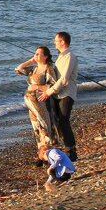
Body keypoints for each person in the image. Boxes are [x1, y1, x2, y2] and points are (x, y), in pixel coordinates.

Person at [37, 31, 78, 160]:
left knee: (64, 121)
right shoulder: (61, 56)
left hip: (66, 94)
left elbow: (64, 79)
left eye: (56, 40)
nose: (54, 42)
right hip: (57, 93)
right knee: (57, 122)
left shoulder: (69, 56)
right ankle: (63, 148)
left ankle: (71, 152)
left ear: (62, 42)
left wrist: (49, 92)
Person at [16, 46, 59, 153]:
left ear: (46, 56)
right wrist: (30, 61)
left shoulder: (48, 69)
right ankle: (41, 152)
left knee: (44, 125)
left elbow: (53, 85)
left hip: (42, 102)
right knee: (36, 127)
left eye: (38, 54)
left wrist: (37, 87)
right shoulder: (33, 69)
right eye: (35, 53)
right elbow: (18, 69)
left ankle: (47, 152)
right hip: (32, 104)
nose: (36, 55)